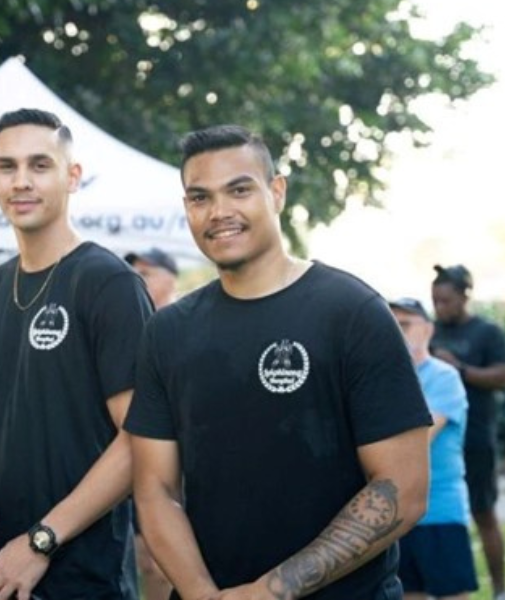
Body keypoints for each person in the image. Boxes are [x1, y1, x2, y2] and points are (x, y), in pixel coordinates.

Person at [124, 124, 433, 600]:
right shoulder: (169, 331)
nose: (220, 212)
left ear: (277, 192)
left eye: (240, 190)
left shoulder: (351, 312)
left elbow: (402, 487)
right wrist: (201, 594)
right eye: (200, 198)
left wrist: (269, 592)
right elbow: (156, 489)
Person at [0, 108, 153, 599]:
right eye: (7, 167)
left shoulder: (108, 284)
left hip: (82, 577)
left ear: (72, 176)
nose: (21, 181)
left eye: (40, 165)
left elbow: (139, 440)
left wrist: (40, 542)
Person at [430, 264, 505, 600]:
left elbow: (504, 376)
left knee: (484, 513)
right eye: (435, 300)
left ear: (465, 295)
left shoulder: (487, 333)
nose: (439, 307)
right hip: (439, 443)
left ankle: (500, 590)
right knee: (440, 515)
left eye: (446, 300)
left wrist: (460, 369)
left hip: (476, 439)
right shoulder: (430, 332)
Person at [389, 297, 478, 600]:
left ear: (427, 330)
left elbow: (416, 440)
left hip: (439, 511)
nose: (397, 333)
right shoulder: (383, 379)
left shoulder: (444, 377)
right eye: (391, 325)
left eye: (404, 325)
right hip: (397, 516)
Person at [125, 248, 179, 600]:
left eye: (146, 272)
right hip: (135, 461)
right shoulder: (131, 325)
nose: (138, 280)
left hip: (182, 466)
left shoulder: (186, 323)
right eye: (134, 272)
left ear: (170, 277)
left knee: (168, 565)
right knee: (146, 561)